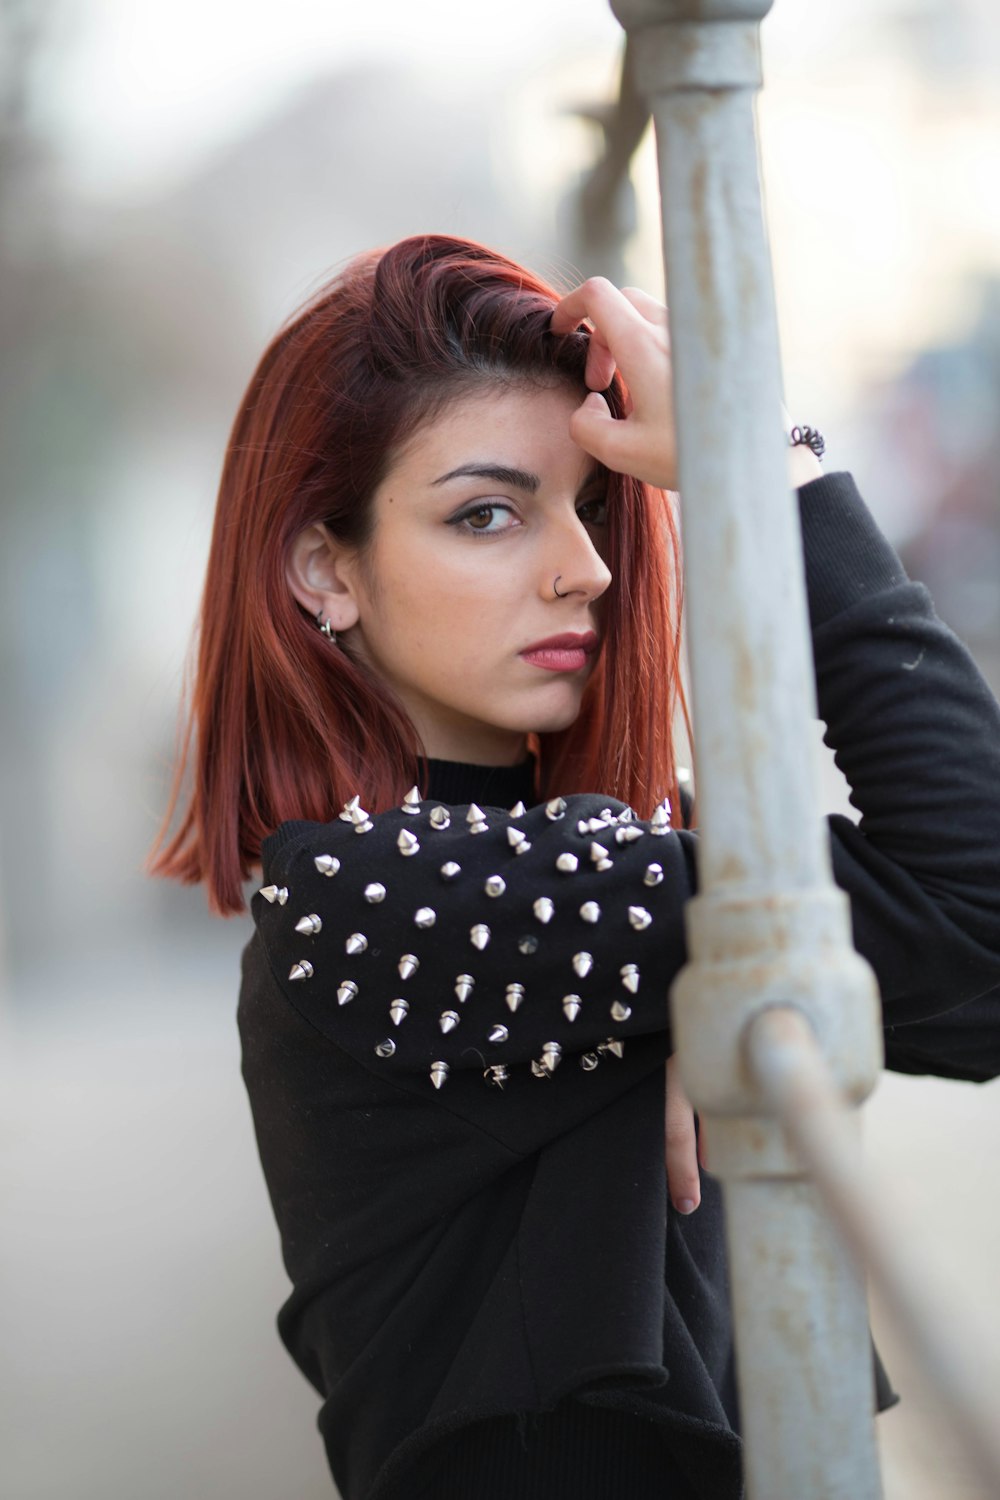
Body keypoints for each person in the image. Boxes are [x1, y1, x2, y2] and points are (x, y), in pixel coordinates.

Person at [150, 234, 1000, 1500]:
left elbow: (972, 987)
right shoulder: (368, 901)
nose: (587, 569)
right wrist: (766, 473)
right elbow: (977, 909)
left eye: (592, 507)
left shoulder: (605, 876)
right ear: (327, 569)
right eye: (486, 512)